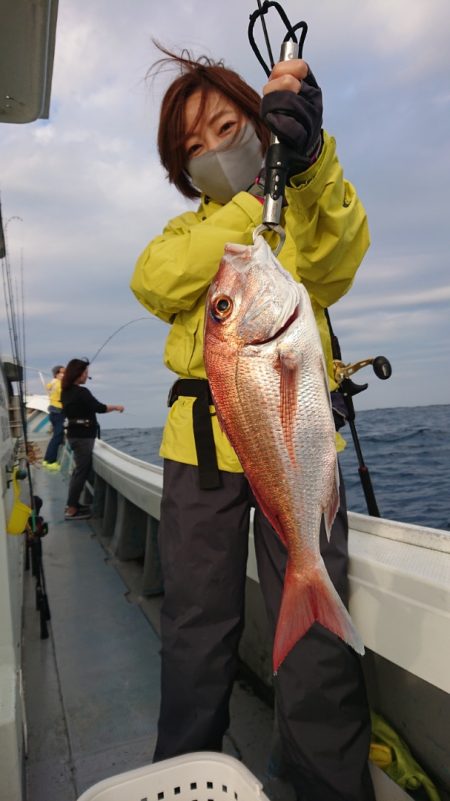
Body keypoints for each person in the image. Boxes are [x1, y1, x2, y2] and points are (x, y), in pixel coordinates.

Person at [130, 47, 375, 801]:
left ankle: (326, 785)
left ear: (260, 123)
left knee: (318, 642)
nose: (209, 151)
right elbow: (155, 278)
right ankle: (183, 778)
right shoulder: (184, 233)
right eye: (190, 148)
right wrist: (252, 200)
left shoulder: (301, 204)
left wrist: (305, 161)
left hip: (295, 440)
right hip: (197, 449)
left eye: (225, 127)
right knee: (195, 628)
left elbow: (338, 258)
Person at [61, 359, 124, 520]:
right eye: (85, 373)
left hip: (74, 436)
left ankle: (73, 504)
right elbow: (99, 408)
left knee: (79, 472)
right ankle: (72, 508)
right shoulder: (82, 392)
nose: (86, 376)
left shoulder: (65, 392)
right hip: (83, 438)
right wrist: (116, 407)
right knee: (81, 472)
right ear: (78, 374)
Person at [42, 364, 65, 470]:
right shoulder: (60, 384)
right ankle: (51, 462)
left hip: (53, 413)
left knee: (56, 437)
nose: (65, 374)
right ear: (57, 374)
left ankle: (47, 460)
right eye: (63, 373)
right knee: (57, 437)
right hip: (58, 413)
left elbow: (49, 388)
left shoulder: (52, 383)